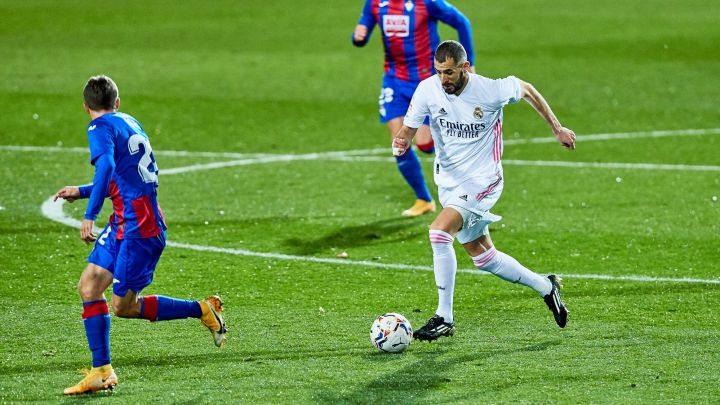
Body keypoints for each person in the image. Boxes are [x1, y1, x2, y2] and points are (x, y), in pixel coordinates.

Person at [54, 75, 227, 395]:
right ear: (117, 103)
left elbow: (105, 167)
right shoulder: (129, 122)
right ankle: (102, 371)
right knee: (89, 286)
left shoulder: (98, 128)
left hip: (140, 227)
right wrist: (81, 191)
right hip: (125, 220)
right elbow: (125, 178)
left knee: (123, 306)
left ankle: (202, 309)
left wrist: (89, 214)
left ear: (85, 107)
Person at [392, 40, 575, 341]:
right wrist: (401, 142)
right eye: (438, 72)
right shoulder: (428, 89)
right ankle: (546, 286)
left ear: (464, 67)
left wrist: (557, 128)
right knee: (483, 257)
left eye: (449, 72)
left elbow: (527, 89)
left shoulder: (490, 90)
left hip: (482, 181)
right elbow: (407, 131)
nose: (443, 79)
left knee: (438, 233)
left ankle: (444, 318)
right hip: (449, 183)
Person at [352, 0, 475, 217]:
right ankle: (424, 199)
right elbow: (363, 31)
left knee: (426, 144)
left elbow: (462, 22)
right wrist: (359, 36)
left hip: (426, 81)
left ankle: (469, 181)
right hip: (394, 81)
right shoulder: (375, 4)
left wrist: (469, 62)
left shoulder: (427, 3)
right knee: (399, 143)